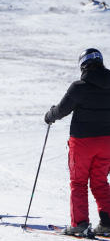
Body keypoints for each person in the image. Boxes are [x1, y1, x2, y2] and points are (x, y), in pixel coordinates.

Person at [45, 48, 110, 235]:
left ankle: (79, 224)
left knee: (79, 182)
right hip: (106, 142)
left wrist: (49, 116)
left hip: (82, 142)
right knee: (100, 182)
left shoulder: (79, 87)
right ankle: (107, 222)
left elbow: (62, 110)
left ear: (83, 65)